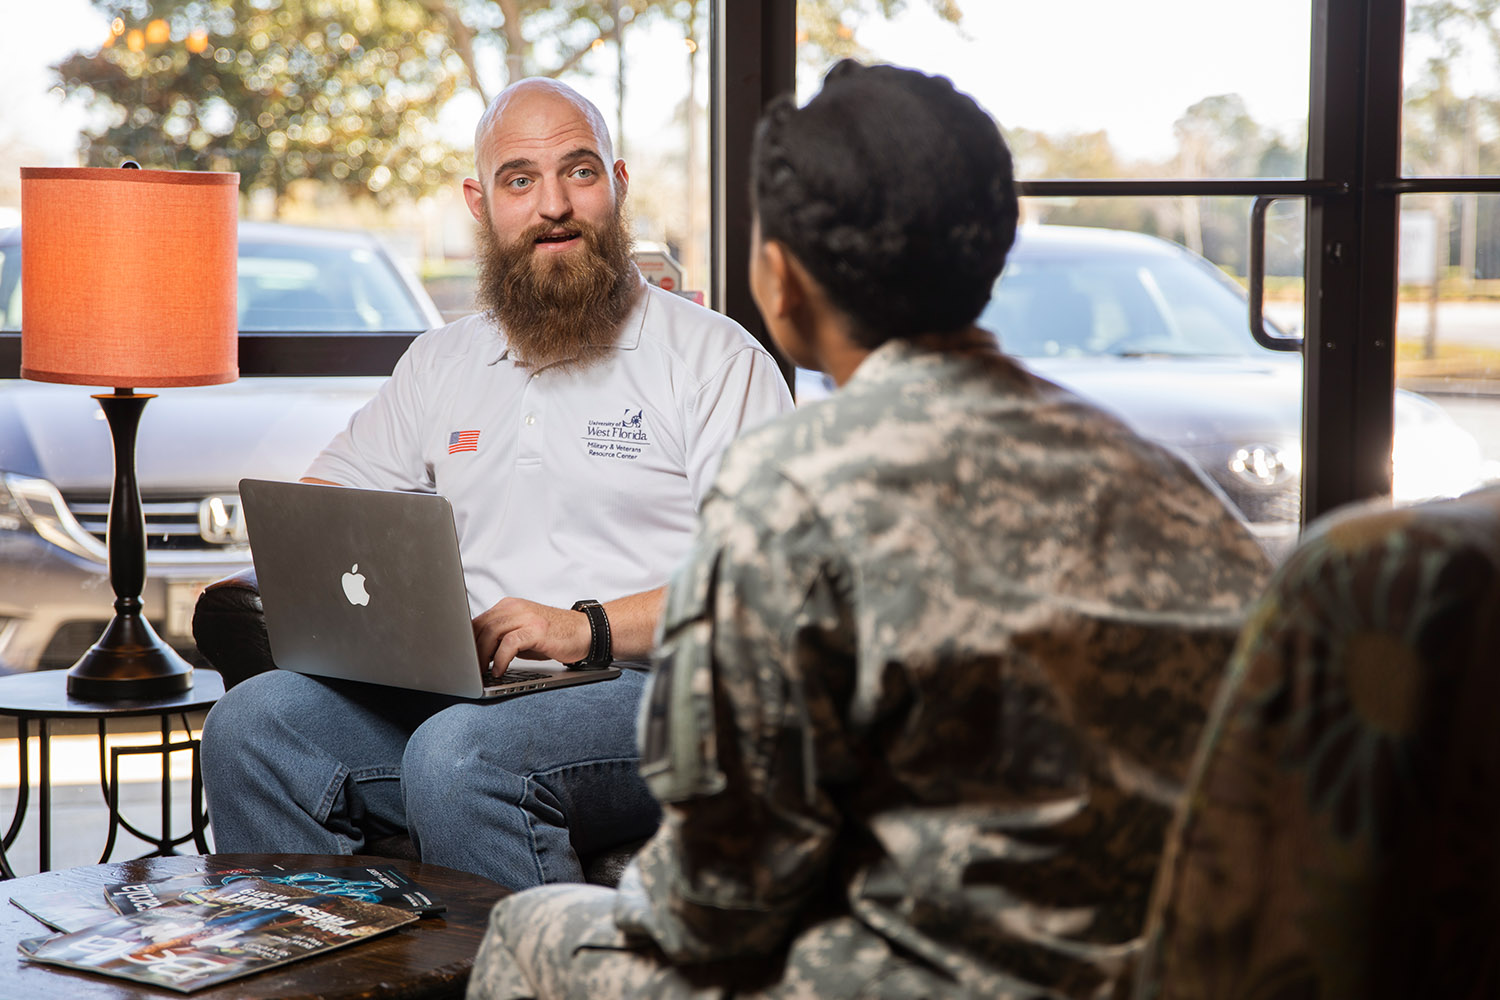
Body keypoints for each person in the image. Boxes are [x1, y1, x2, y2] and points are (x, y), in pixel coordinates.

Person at [465, 60, 1274, 1000]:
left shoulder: (792, 490)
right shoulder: (1173, 490)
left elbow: (715, 901)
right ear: (996, 247)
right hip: (1183, 972)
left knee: (532, 927)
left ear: (782, 281)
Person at [199, 77, 793, 890]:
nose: (553, 205)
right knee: (254, 725)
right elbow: (321, 510)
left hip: (665, 692)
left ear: (617, 187)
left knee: (459, 754)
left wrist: (583, 627)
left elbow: (763, 586)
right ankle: (327, 971)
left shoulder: (716, 361)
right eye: (521, 180)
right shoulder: (443, 362)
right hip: (475, 690)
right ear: (481, 203)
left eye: (579, 173)